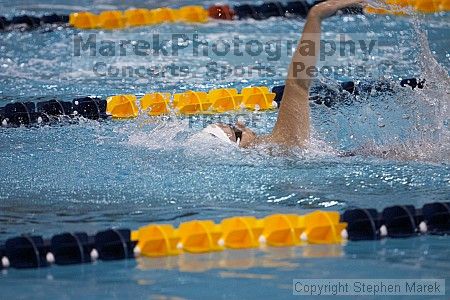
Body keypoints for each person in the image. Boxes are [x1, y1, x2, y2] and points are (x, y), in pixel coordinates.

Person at [202, 0, 365, 149]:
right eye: (236, 131)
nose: (240, 123)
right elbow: (298, 82)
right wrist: (316, 15)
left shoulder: (277, 150)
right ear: (238, 147)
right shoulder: (283, 142)